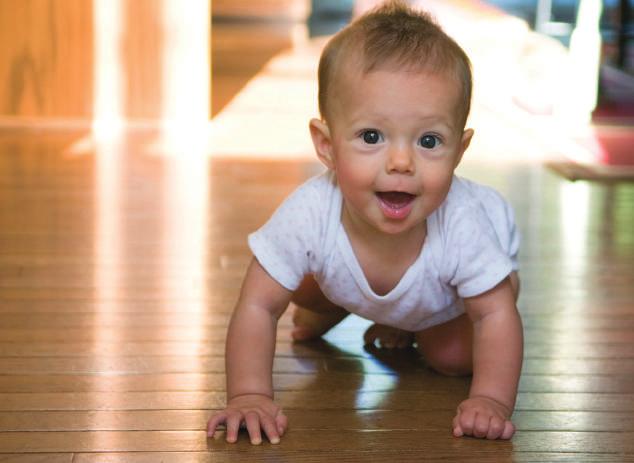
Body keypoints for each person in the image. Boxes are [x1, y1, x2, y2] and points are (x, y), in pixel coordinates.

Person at [207, 0, 523, 445]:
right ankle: (332, 306)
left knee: (452, 356)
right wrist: (249, 394)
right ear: (327, 145)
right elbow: (258, 305)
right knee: (284, 276)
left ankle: (407, 322)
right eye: (371, 137)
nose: (400, 162)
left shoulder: (465, 221)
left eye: (429, 141)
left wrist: (491, 400)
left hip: (449, 301)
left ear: (460, 151)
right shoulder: (311, 209)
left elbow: (494, 314)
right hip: (354, 278)